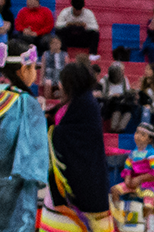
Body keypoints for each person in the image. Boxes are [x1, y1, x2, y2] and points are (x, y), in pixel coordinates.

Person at [0, 57, 48, 232]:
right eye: (33, 69)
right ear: (22, 70)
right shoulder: (25, 101)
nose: (35, 73)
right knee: (18, 223)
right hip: (20, 174)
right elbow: (13, 137)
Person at [42, 61, 115, 229]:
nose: (59, 85)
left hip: (82, 180)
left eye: (62, 82)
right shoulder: (78, 102)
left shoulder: (86, 105)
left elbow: (75, 139)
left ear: (71, 84)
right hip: (68, 180)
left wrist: (54, 132)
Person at [113, 124, 154, 229]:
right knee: (114, 191)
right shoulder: (133, 153)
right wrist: (127, 179)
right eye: (137, 132)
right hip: (133, 183)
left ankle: (150, 228)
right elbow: (127, 169)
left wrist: (139, 179)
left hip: (149, 185)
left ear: (149, 140)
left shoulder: (152, 154)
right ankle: (117, 221)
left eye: (142, 134)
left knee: (148, 205)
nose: (138, 136)